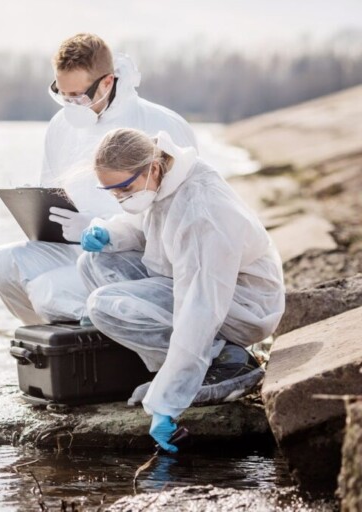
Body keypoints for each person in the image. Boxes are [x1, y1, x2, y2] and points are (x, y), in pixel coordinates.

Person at [77, 128, 285, 452]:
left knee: (104, 305)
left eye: (124, 189)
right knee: (95, 261)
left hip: (242, 304)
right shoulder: (162, 179)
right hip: (194, 282)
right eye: (112, 192)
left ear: (153, 169)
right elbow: (147, 228)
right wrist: (108, 232)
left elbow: (200, 306)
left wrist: (168, 402)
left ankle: (228, 361)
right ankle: (179, 364)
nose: (120, 198)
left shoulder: (201, 211)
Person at [0, 33, 197, 326]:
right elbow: (51, 189)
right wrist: (43, 216)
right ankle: (53, 345)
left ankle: (119, 340)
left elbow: (182, 219)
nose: (70, 105)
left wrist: (100, 227)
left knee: (50, 291)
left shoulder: (160, 123)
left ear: (107, 82)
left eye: (79, 96)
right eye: (62, 94)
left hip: (131, 258)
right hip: (70, 246)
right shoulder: (61, 125)